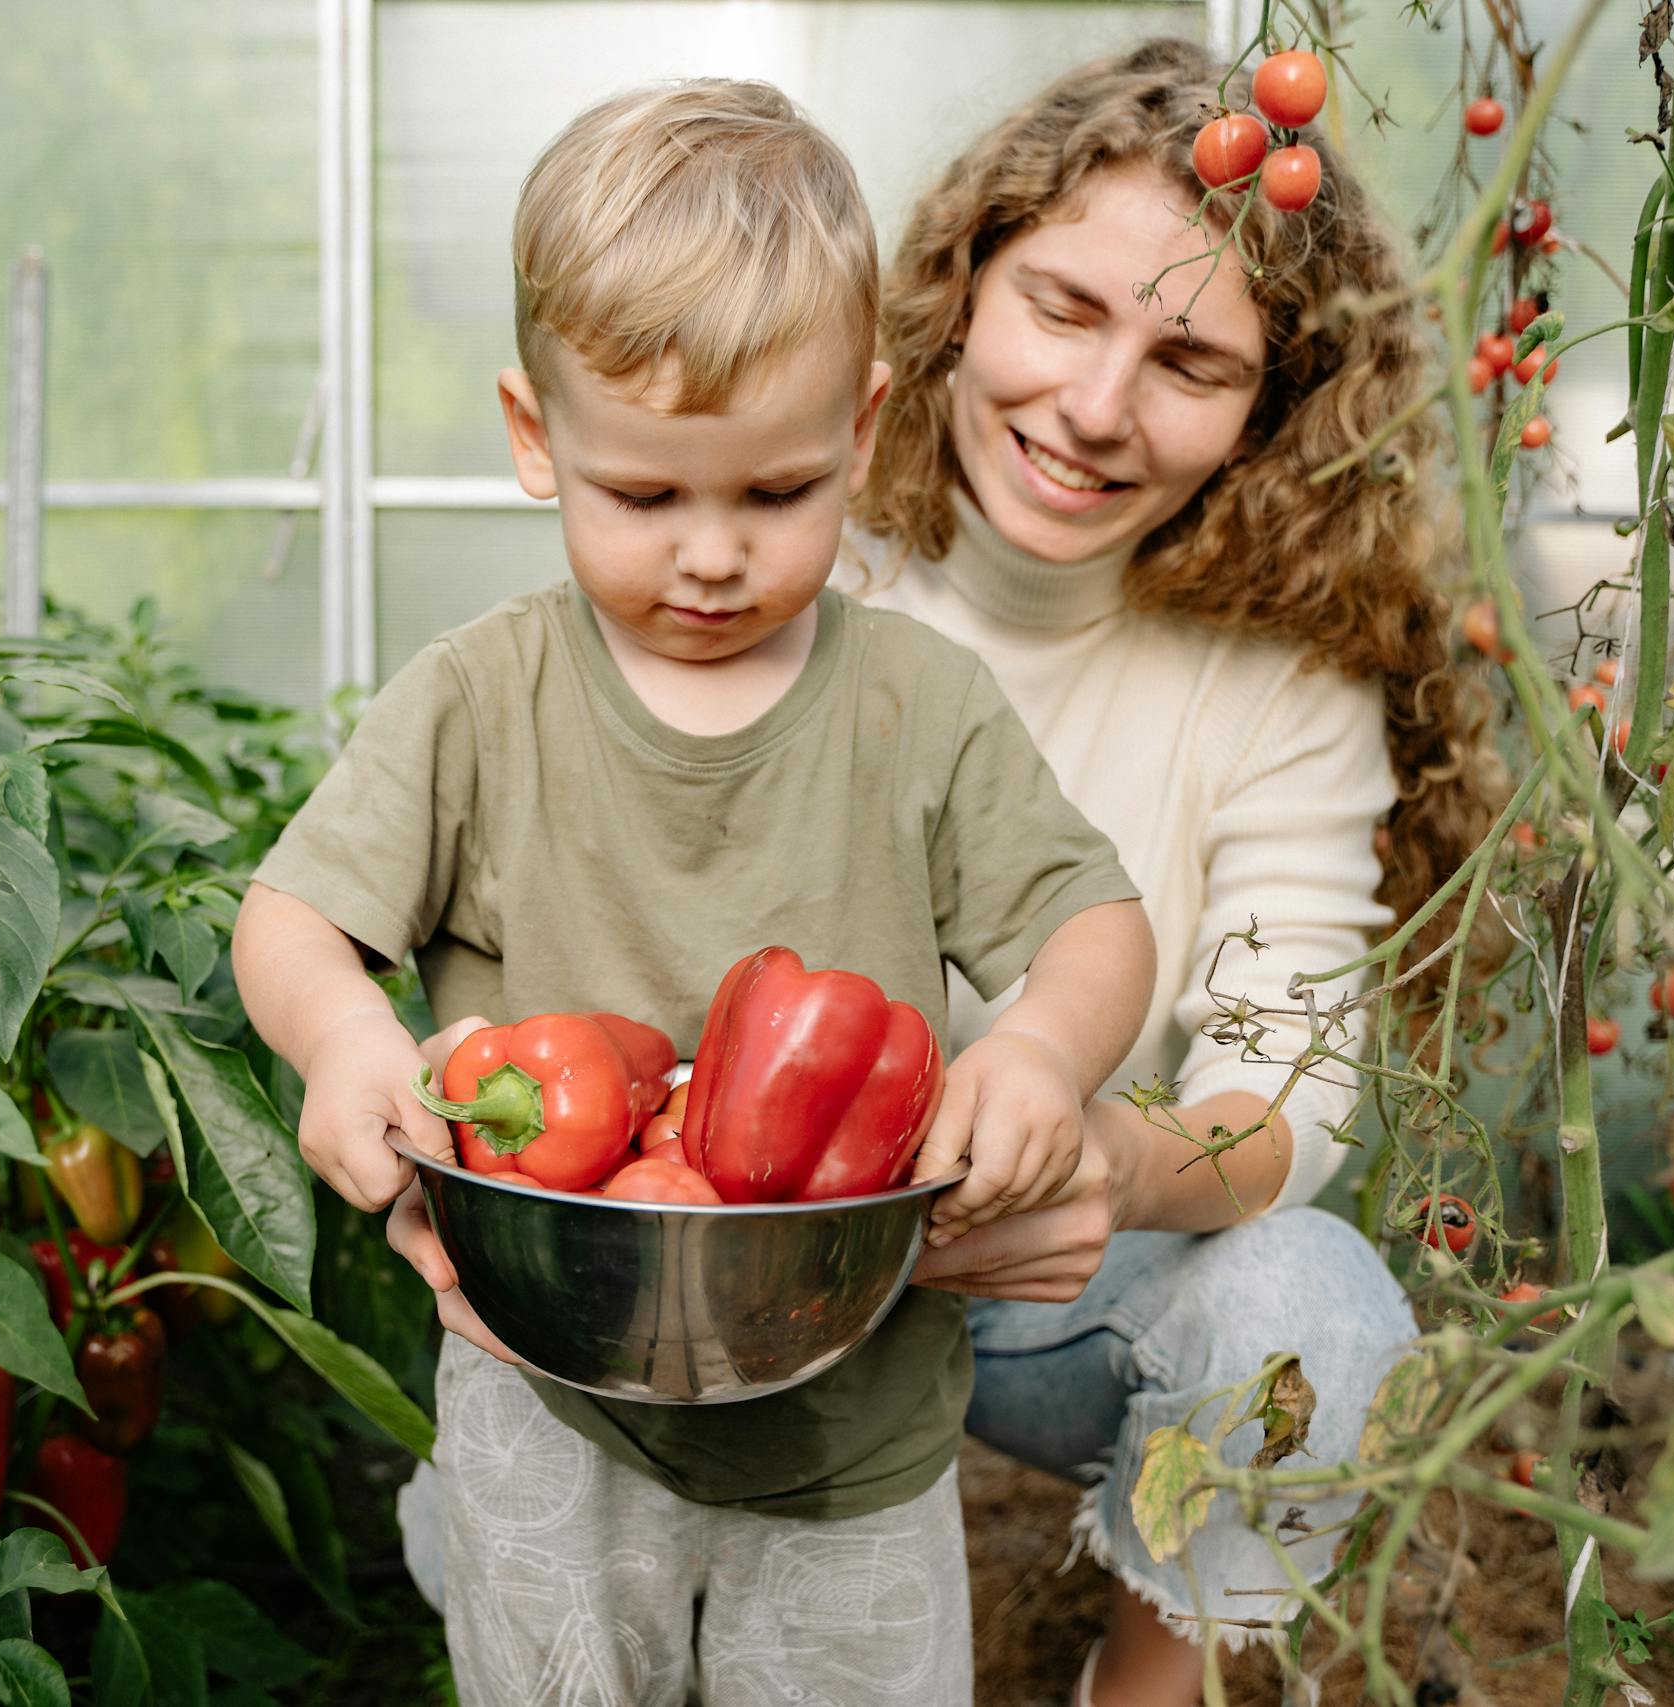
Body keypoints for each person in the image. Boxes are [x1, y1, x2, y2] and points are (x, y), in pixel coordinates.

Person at [234, 79, 1156, 1705]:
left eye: (778, 494)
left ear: (865, 434)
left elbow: (1095, 922)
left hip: (850, 1424)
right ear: (538, 438)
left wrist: (1041, 1060)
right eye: (646, 498)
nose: (712, 555)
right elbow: (295, 919)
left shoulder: (918, 708)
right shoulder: (478, 698)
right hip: (542, 1396)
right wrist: (339, 1045)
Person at [840, 37, 1507, 1707]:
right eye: (1063, 308)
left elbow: (1292, 1086)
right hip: (766, 1262)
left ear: (1268, 419)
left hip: (1055, 1285)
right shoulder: (796, 546)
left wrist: (1114, 1169)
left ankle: (1152, 1683)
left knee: (1314, 1307)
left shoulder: (1281, 678)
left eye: (1189, 361)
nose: (1094, 408)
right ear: (965, 285)